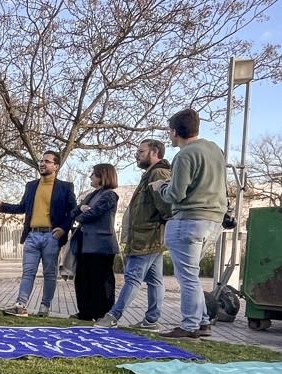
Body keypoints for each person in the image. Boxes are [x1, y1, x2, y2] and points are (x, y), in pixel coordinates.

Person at [152, 109, 226, 338]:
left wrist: (160, 187)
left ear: (174, 131)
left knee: (186, 277)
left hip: (189, 218)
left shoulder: (185, 155)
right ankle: (202, 321)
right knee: (192, 275)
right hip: (213, 219)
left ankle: (189, 325)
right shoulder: (214, 150)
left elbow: (176, 193)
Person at [96, 140, 172, 329]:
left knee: (133, 278)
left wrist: (157, 227)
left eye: (141, 151)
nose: (136, 155)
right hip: (147, 236)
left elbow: (165, 206)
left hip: (147, 237)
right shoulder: (150, 175)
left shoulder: (158, 173)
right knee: (155, 280)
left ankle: (113, 316)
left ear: (154, 152)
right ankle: (151, 320)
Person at [0, 151, 75, 317]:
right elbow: (22, 207)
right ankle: (20, 305)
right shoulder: (31, 185)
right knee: (28, 272)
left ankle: (44, 307)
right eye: (41, 161)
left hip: (51, 236)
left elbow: (73, 211)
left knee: (49, 274)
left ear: (56, 166)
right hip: (32, 235)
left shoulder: (65, 187)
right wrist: (2, 205)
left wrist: (63, 229)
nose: (42, 163)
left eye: (47, 161)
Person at [67, 163, 120, 321]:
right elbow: (76, 212)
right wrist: (83, 210)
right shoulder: (91, 195)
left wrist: (85, 212)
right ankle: (85, 312)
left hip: (102, 245)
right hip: (86, 244)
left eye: (94, 174)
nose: (90, 177)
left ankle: (103, 313)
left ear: (102, 176)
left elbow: (94, 213)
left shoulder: (109, 195)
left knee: (101, 281)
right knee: (83, 278)